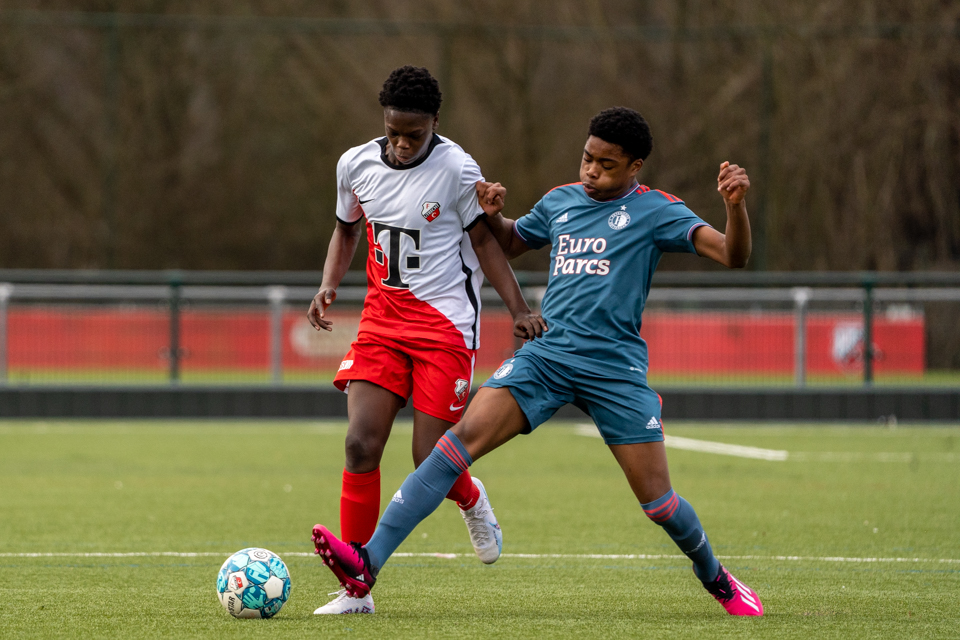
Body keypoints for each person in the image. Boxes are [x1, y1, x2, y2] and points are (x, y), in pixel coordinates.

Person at [311, 106, 764, 616]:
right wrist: (491, 208)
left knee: (659, 503)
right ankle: (366, 563)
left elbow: (734, 255)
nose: (591, 170)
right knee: (449, 449)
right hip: (547, 356)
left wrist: (735, 207)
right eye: (587, 158)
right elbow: (508, 240)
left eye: (606, 165)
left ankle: (718, 580)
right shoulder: (561, 200)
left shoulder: (658, 211)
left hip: (614, 371)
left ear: (635, 166)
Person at [306, 66, 546, 615]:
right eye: (394, 131)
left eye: (414, 133)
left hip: (444, 327)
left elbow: (487, 244)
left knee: (427, 459)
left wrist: (518, 310)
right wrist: (327, 285)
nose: (402, 143)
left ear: (435, 122)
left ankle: (471, 497)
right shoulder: (355, 163)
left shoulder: (459, 170)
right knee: (360, 444)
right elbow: (346, 229)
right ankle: (355, 590)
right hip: (381, 324)